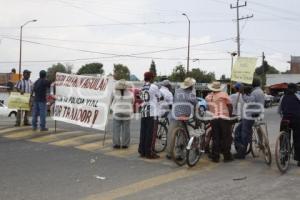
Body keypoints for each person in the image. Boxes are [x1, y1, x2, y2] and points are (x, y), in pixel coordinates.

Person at [166, 77, 198, 160]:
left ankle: (169, 153)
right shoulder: (192, 94)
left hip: (174, 115)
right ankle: (178, 154)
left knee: (170, 135)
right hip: (184, 117)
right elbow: (195, 104)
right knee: (182, 135)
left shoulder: (177, 91)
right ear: (191, 86)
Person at [234, 78, 265, 159]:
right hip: (257, 114)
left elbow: (249, 101)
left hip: (250, 115)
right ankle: (244, 148)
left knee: (241, 133)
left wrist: (243, 94)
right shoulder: (260, 91)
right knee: (243, 131)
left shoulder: (255, 92)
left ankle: (241, 153)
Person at [205, 81, 234, 163]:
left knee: (215, 138)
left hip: (214, 119)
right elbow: (230, 106)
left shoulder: (208, 97)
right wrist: (230, 116)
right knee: (226, 138)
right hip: (224, 118)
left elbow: (208, 108)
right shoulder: (224, 95)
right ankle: (227, 156)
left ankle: (215, 157)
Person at [138, 72, 160, 159]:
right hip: (152, 112)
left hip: (144, 111)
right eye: (153, 78)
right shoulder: (154, 86)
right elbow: (159, 96)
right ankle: (149, 152)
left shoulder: (142, 87)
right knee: (151, 134)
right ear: (151, 78)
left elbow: (141, 98)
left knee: (143, 132)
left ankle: (142, 151)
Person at [278, 83, 300, 167]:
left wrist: (284, 116)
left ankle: (283, 157)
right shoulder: (298, 96)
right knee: (298, 138)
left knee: (283, 137)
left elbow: (279, 111)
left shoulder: (283, 97)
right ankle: (299, 159)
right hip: (297, 120)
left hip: (285, 119)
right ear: (295, 89)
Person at [111, 79, 134, 149]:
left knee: (116, 129)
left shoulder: (114, 92)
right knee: (126, 129)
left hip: (117, 112)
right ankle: (125, 144)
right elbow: (132, 102)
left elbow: (110, 100)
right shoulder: (130, 93)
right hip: (127, 113)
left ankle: (116, 144)